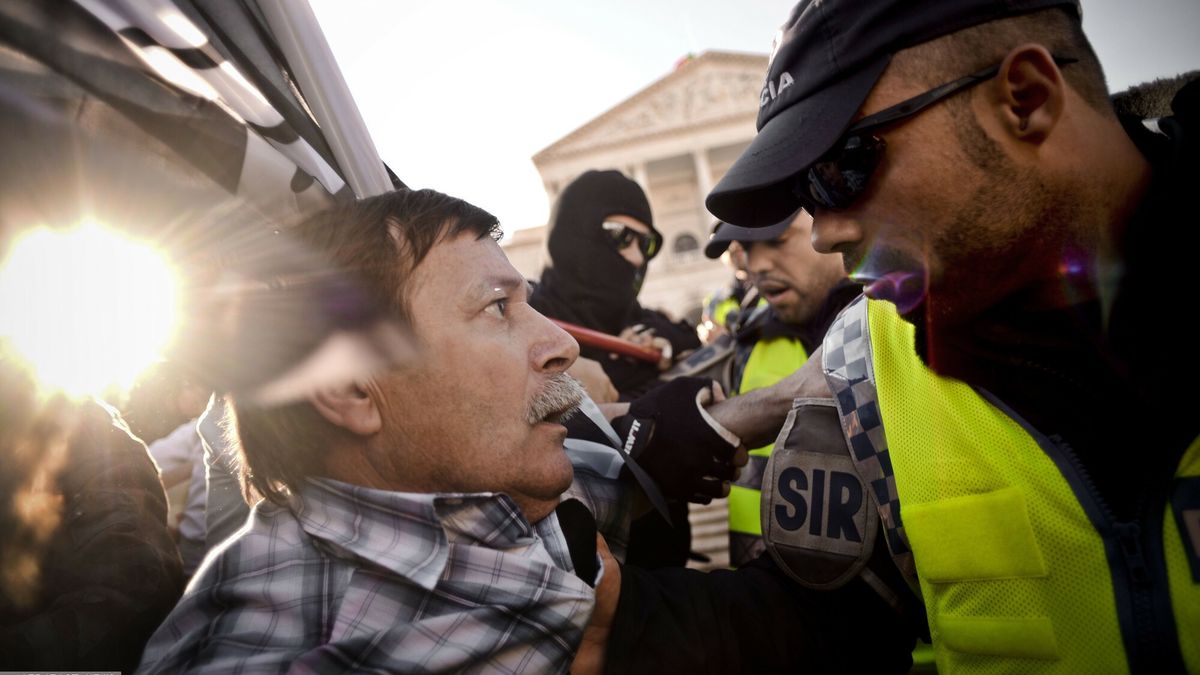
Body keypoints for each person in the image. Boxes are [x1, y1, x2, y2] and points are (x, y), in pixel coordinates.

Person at [589, 1, 1200, 672]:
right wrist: (613, 618)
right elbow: (830, 613)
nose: (825, 230)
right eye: (805, 194)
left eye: (843, 167)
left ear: (1024, 99)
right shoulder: (865, 354)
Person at [138, 188, 614, 673]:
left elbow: (606, 475)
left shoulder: (476, 483)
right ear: (353, 390)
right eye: (497, 307)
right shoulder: (298, 651)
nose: (563, 343)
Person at [702, 210, 854, 567]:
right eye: (747, 247)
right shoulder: (748, 340)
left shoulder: (901, 325)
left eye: (776, 240)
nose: (757, 264)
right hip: (760, 585)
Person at [530, 169, 700, 399]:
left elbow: (688, 338)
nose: (638, 258)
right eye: (622, 237)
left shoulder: (644, 322)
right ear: (575, 233)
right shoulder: (528, 318)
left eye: (647, 244)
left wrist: (657, 344)